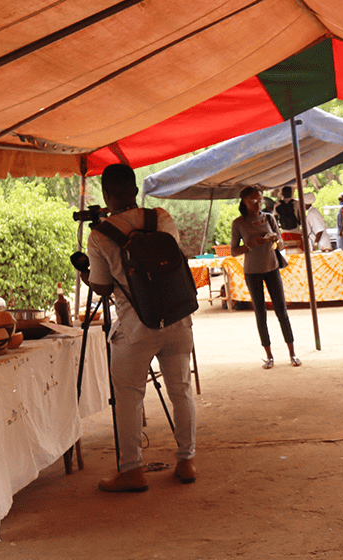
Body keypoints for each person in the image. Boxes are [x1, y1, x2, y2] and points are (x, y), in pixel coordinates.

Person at [84, 163, 197, 492]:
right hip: (176, 317)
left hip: (135, 327)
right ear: (134, 190)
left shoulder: (100, 235)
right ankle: (186, 461)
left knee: (129, 398)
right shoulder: (160, 218)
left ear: (106, 195)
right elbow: (171, 261)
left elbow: (103, 286)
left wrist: (86, 276)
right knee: (181, 390)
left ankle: (132, 469)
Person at [231, 186, 302, 369]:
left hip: (272, 268)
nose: (257, 204)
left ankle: (292, 353)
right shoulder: (239, 223)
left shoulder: (269, 218)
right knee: (260, 313)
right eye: (253, 201)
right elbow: (233, 251)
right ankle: (269, 356)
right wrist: (250, 244)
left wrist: (273, 239)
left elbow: (281, 244)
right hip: (252, 271)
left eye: (260, 200)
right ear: (244, 202)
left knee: (281, 311)